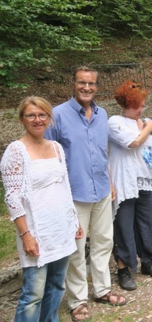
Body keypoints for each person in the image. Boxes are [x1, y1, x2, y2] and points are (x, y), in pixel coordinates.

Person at [45, 66, 127, 322]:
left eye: (91, 84)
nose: (86, 88)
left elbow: (103, 153)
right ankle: (78, 300)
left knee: (104, 242)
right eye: (82, 83)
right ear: (73, 83)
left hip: (101, 189)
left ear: (97, 86)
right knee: (76, 249)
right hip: (73, 194)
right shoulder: (57, 115)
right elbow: (48, 158)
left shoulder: (102, 115)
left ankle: (102, 289)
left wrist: (111, 181)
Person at [1, 97, 82, 322]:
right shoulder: (16, 151)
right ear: (22, 119)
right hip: (36, 232)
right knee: (33, 294)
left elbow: (65, 186)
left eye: (42, 115)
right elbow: (12, 198)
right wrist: (25, 235)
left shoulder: (56, 147)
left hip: (60, 228)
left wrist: (74, 220)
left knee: (57, 285)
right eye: (31, 115)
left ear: (49, 118)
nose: (38, 120)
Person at [108, 81, 152, 291]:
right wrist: (150, 126)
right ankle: (123, 268)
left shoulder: (145, 123)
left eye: (143, 105)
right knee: (124, 226)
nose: (141, 109)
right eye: (137, 105)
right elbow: (133, 142)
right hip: (125, 183)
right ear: (126, 103)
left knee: (149, 223)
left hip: (146, 183)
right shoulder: (114, 122)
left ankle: (147, 261)